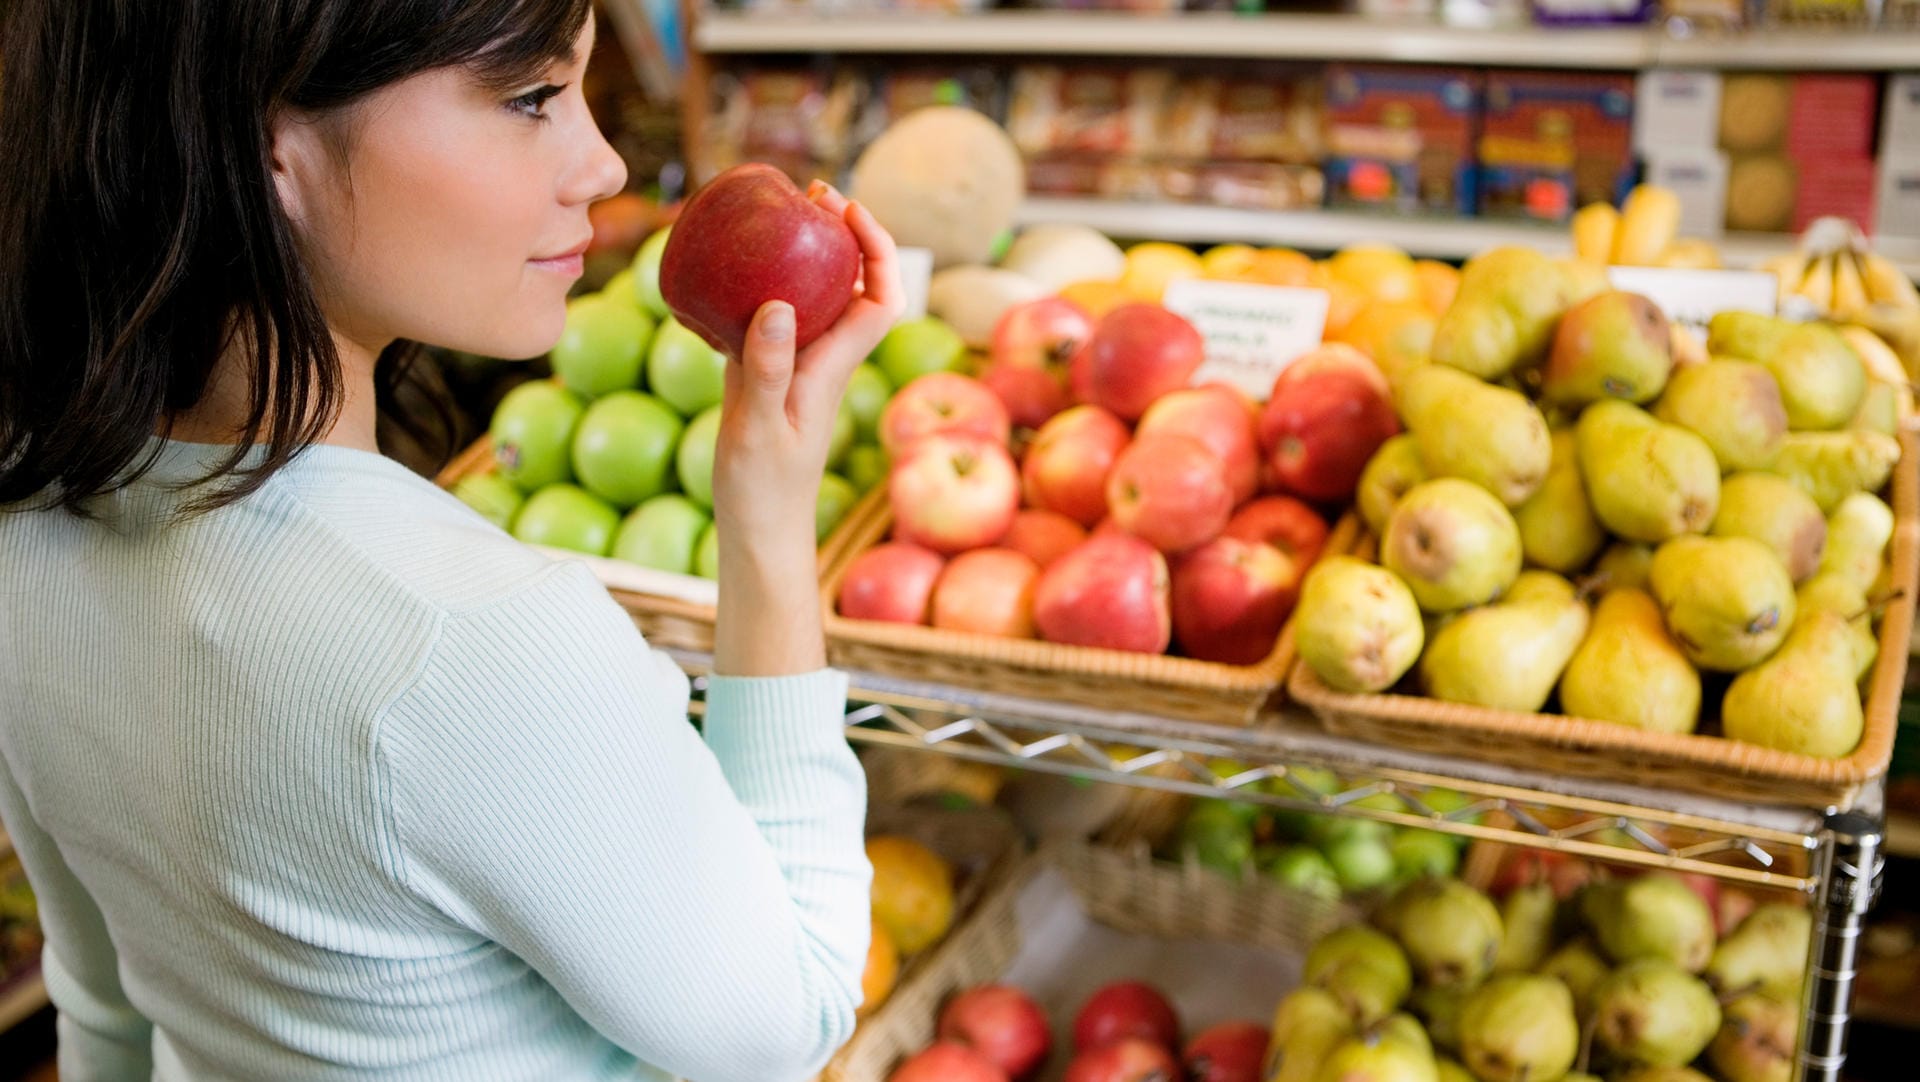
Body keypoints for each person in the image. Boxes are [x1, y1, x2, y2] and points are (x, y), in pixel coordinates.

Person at [0, 1, 901, 1079]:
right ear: (265, 147)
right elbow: (783, 1019)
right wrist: (771, 522)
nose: (605, 166)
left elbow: (106, 1012)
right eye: (530, 99)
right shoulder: (469, 637)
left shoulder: (26, 532)